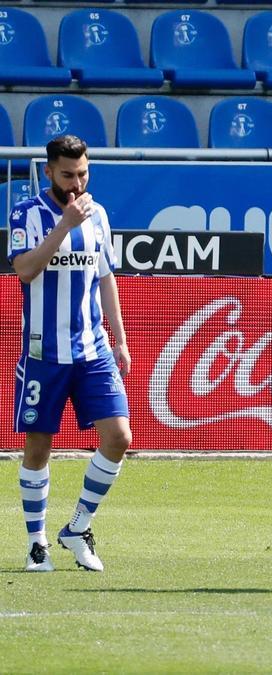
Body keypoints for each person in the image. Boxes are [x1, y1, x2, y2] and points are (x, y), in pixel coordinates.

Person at [9, 135, 132, 573]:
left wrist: (119, 338)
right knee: (39, 447)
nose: (76, 184)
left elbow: (106, 277)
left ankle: (78, 527)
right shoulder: (27, 214)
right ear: (48, 173)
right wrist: (63, 225)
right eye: (67, 175)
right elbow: (24, 270)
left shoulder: (98, 215)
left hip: (92, 349)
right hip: (44, 351)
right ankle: (36, 542)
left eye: (83, 174)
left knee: (119, 437)